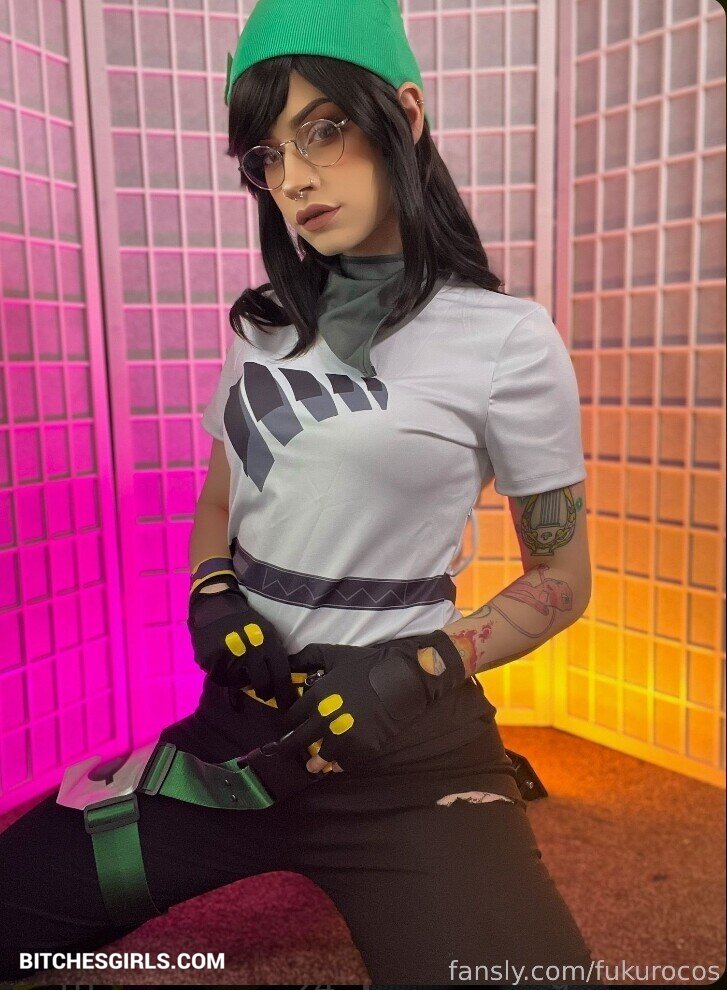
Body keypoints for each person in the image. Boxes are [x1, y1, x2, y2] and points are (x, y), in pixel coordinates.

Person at [0, 0, 595, 983]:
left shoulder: (504, 339)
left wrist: (422, 669)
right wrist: (211, 590)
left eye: (324, 129)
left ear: (404, 116)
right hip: (235, 741)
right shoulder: (264, 328)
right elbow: (219, 503)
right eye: (268, 156)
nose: (295, 179)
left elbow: (561, 579)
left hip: (410, 757)